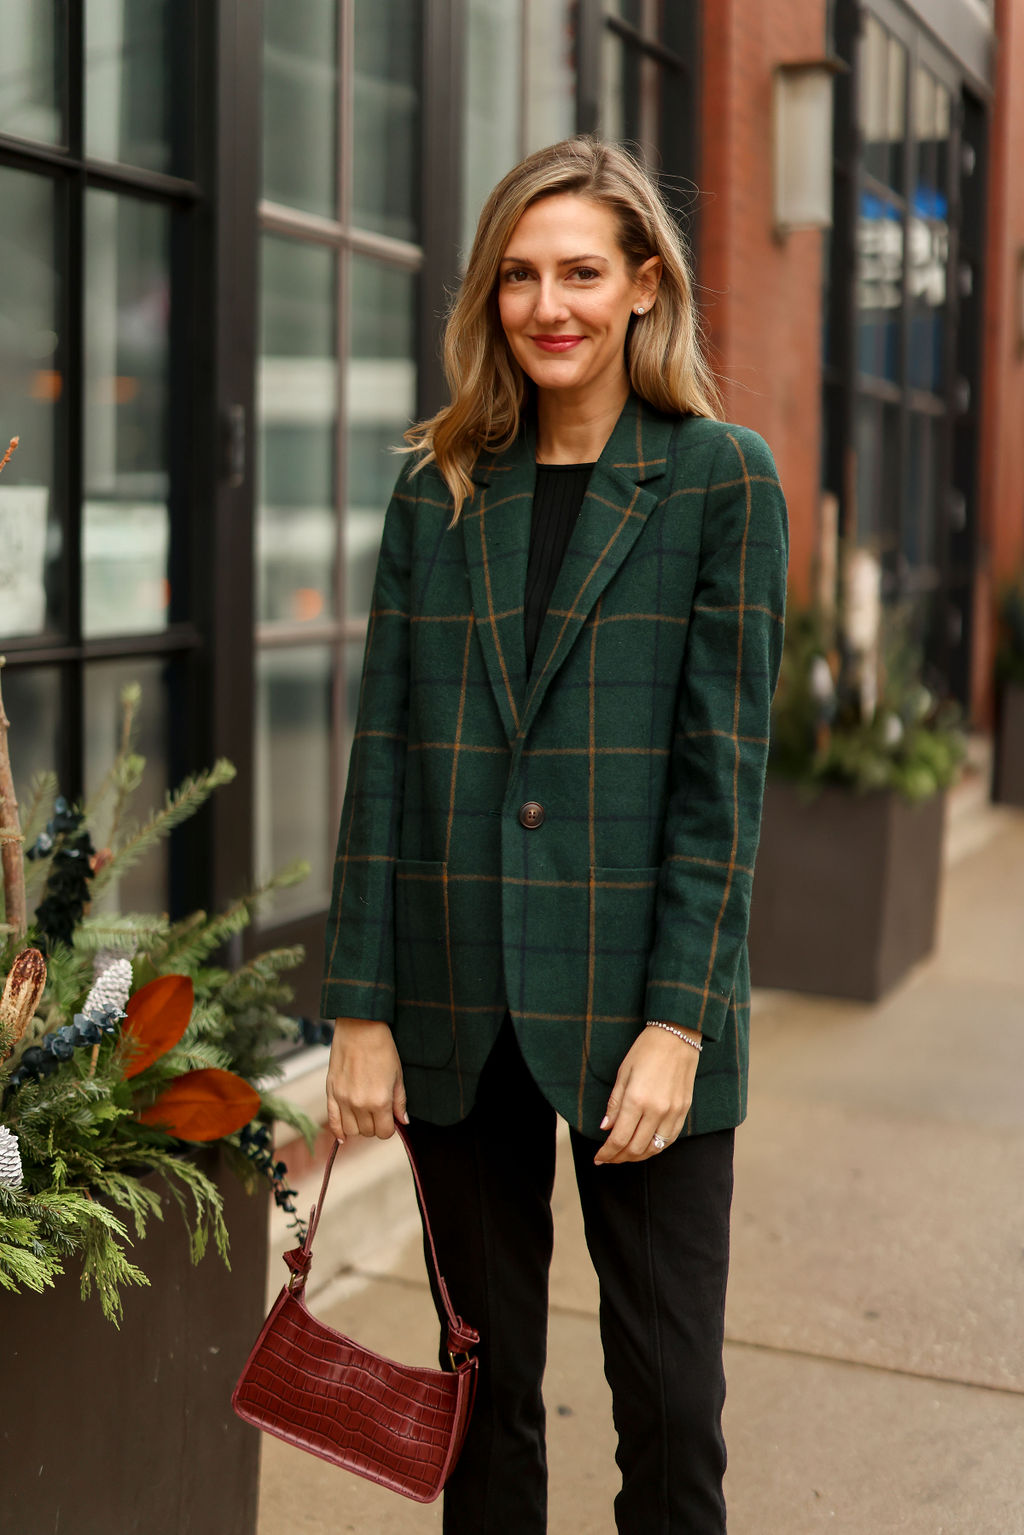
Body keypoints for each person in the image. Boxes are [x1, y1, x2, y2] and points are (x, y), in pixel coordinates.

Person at [321, 136, 788, 1534]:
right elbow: (386, 756)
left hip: (639, 1017)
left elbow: (725, 781)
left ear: (646, 285)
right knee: (484, 1403)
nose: (550, 306)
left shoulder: (719, 480)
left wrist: (681, 1023)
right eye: (519, 276)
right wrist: (360, 1010)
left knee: (670, 1411)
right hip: (462, 1004)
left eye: (582, 272)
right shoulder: (443, 483)